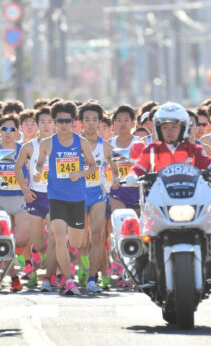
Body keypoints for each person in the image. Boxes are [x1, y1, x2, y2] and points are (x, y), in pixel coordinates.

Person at [31, 101, 99, 295]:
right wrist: (37, 173)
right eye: (59, 121)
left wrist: (80, 173)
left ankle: (69, 266)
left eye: (67, 121)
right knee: (59, 236)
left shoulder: (81, 142)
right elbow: (39, 164)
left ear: (73, 121)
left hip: (77, 197)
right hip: (56, 197)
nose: (63, 124)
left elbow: (93, 167)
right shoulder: (47, 143)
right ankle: (69, 280)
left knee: (76, 243)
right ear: (54, 122)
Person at [0, 114, 31, 292]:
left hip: (20, 200)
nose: (8, 133)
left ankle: (5, 265)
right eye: (5, 129)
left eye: (12, 129)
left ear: (17, 131)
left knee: (23, 240)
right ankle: (14, 277)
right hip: (1, 200)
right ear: (0, 130)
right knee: (3, 241)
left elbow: (36, 167)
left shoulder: (24, 149)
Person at [78, 101, 119, 293]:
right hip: (76, 194)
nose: (91, 124)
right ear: (81, 122)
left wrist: (116, 179)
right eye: (87, 119)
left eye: (95, 120)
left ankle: (93, 277)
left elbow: (116, 170)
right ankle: (82, 271)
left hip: (97, 193)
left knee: (97, 236)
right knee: (80, 239)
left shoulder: (107, 147)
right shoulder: (73, 144)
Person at [15, 106, 55, 291]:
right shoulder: (29, 146)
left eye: (50, 121)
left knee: (56, 235)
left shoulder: (64, 145)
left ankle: (49, 277)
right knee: (37, 242)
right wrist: (25, 190)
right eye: (43, 122)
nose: (46, 125)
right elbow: (17, 169)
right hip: (36, 196)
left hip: (56, 196)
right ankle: (36, 254)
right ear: (37, 125)